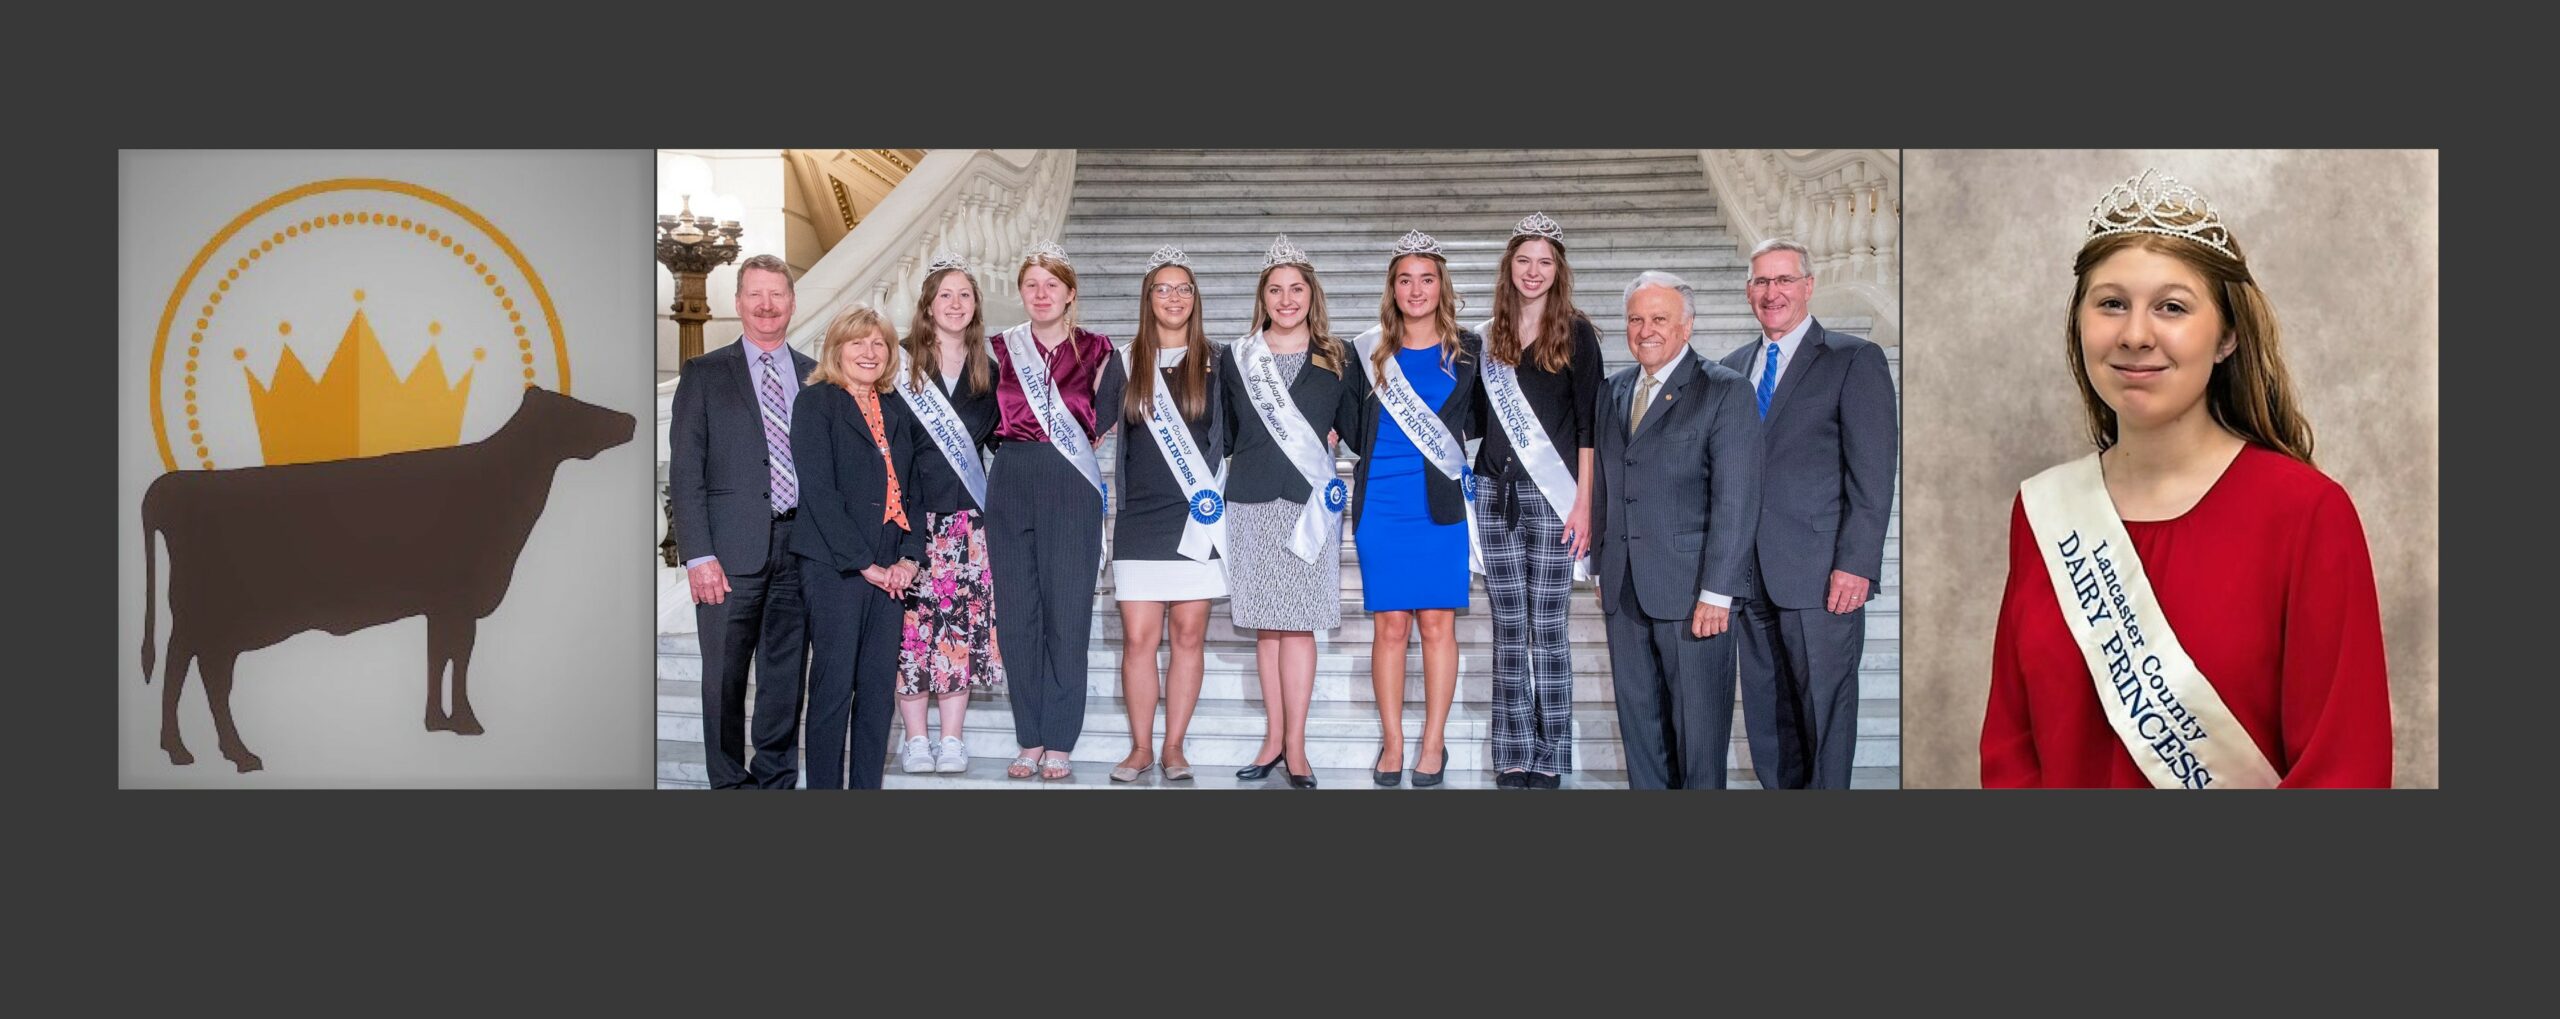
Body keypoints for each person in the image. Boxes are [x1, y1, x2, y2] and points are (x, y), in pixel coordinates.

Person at [1981, 168, 2392, 788]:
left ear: (2226, 336)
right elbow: (2011, 753)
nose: (2136, 334)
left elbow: (2345, 769)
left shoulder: (2307, 513)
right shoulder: (2042, 512)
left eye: (2171, 307)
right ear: (2081, 324)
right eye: (2111, 303)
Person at [1718, 238, 1899, 790]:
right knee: (1769, 720)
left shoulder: (1853, 359)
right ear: (1749, 291)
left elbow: (1872, 475)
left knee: (1824, 711)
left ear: (1808, 286)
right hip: (1749, 576)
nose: (1772, 294)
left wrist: (1858, 564)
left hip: (1822, 575)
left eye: (1784, 281)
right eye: (1761, 283)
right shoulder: (1731, 368)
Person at [1590, 271, 1762, 789]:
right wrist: (1601, 566)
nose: (1646, 330)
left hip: (1694, 595)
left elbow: (1738, 499)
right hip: (1624, 588)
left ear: (1686, 327)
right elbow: (1605, 482)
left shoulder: (1724, 391)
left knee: (1698, 737)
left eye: (1659, 319)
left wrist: (1719, 592)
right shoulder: (1613, 390)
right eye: (1636, 319)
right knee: (1641, 732)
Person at [1220, 235, 1369, 789]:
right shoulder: (1237, 357)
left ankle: (1297, 747)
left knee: (1299, 627)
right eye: (1276, 290)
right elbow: (1229, 434)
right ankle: (1272, 739)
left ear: (1312, 294)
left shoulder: (1338, 356)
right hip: (1253, 502)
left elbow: (1354, 429)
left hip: (1309, 505)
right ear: (1263, 297)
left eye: (1296, 289)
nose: (1287, 300)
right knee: (1267, 628)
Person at [667, 253, 816, 789]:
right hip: (729, 554)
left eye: (777, 294)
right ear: (738, 304)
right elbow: (685, 473)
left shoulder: (816, 377)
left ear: (793, 303)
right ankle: (729, 783)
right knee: (724, 680)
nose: (767, 305)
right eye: (755, 294)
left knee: (784, 678)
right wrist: (699, 554)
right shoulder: (705, 374)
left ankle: (775, 779)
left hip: (800, 550)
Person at [1470, 212, 1604, 790]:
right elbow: (1471, 417)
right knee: (1508, 625)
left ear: (1559, 270)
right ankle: (1512, 751)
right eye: (1524, 260)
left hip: (1554, 499)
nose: (1533, 271)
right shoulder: (1487, 336)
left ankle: (1549, 753)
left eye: (1544, 261)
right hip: (1493, 493)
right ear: (1509, 267)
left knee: (1548, 627)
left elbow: (1590, 429)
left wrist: (1585, 506)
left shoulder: (1576, 332)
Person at [986, 240, 1125, 781]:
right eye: (1031, 285)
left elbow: (1109, 417)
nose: (1041, 294)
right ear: (1021, 292)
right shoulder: (998, 349)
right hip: (1011, 478)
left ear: (1070, 294)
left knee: (1067, 613)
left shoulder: (1099, 351)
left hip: (1071, 483)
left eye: (1052, 285)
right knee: (1017, 614)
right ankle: (1030, 736)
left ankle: (1060, 738)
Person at [1349, 229, 1480, 788]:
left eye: (1427, 279)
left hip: (1440, 506)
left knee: (1435, 625)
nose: (1416, 289)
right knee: (1391, 627)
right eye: (1405, 279)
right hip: (1381, 501)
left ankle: (1433, 742)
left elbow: (1480, 423)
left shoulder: (1469, 352)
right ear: (1393, 289)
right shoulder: (1369, 352)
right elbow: (1353, 428)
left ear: (1441, 286)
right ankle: (1393, 743)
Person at [789, 303, 925, 790]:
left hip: (892, 566)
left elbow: (913, 489)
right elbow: (819, 493)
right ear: (836, 349)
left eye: (878, 343)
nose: (869, 352)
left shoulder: (896, 407)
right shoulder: (816, 402)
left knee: (875, 693)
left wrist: (910, 558)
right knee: (832, 689)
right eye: (857, 342)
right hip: (836, 566)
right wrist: (863, 563)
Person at [1108, 245, 1227, 783]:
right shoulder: (1125, 360)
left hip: (1196, 519)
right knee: (1138, 639)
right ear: (1148, 298)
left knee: (1187, 635)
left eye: (1183, 288)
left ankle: (1174, 747)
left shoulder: (1218, 361)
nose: (1174, 297)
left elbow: (1237, 436)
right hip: (1141, 520)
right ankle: (1140, 747)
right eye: (1163, 288)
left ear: (1195, 298)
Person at [888, 253, 1006, 776]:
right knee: (912, 630)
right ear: (928, 305)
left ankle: (952, 739)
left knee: (958, 627)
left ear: (975, 304)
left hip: (967, 521)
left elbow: (1005, 440)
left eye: (965, 295)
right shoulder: (899, 361)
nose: (955, 304)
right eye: (945, 295)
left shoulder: (990, 368)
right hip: (910, 516)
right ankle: (916, 740)